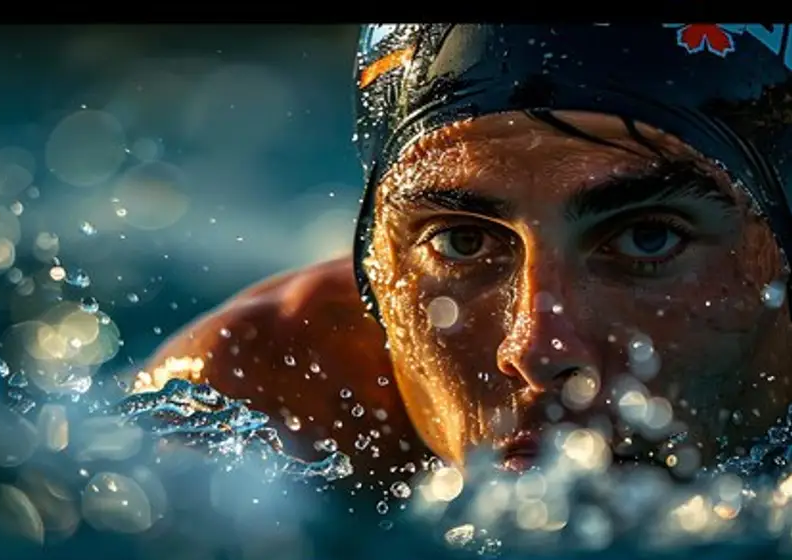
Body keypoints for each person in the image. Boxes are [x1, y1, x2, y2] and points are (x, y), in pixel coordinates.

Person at [137, 24, 792, 483]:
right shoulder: (249, 405)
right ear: (377, 270)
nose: (538, 348)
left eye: (647, 238)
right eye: (462, 241)